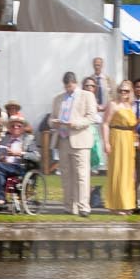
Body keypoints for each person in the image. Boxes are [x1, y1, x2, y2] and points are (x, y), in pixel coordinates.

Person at [51, 71, 101, 216]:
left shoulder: (87, 96)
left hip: (80, 139)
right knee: (66, 175)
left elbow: (91, 117)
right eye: (66, 87)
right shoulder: (58, 98)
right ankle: (69, 206)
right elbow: (51, 118)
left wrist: (76, 124)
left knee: (82, 175)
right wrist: (54, 122)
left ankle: (84, 206)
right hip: (63, 140)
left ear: (76, 83)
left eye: (71, 87)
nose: (68, 89)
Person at [104, 81, 139, 213]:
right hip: (117, 138)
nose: (123, 93)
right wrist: (106, 142)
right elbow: (105, 124)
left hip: (129, 139)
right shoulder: (113, 105)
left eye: (126, 91)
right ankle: (116, 205)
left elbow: (132, 126)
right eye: (120, 90)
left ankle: (127, 203)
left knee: (129, 172)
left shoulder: (130, 106)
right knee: (118, 170)